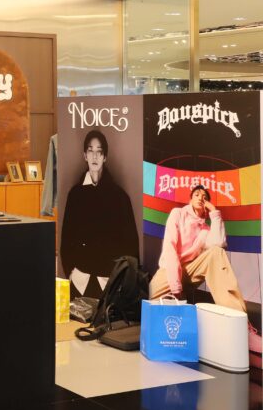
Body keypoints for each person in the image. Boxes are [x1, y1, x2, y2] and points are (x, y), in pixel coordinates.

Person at [149, 184, 262, 353]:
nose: (201, 198)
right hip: (169, 273)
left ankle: (242, 329)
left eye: (204, 197)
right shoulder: (178, 214)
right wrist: (176, 286)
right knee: (147, 305)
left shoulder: (205, 229)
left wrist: (214, 212)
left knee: (215, 253)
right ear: (190, 199)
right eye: (197, 194)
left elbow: (219, 244)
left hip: (189, 271)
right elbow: (170, 248)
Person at [60, 129, 139, 298]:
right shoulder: (75, 195)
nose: (94, 156)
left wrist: (121, 280)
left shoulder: (120, 197)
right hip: (80, 280)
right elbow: (66, 239)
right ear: (85, 155)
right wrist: (71, 273)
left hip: (109, 281)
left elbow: (131, 244)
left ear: (105, 157)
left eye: (99, 151)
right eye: (90, 151)